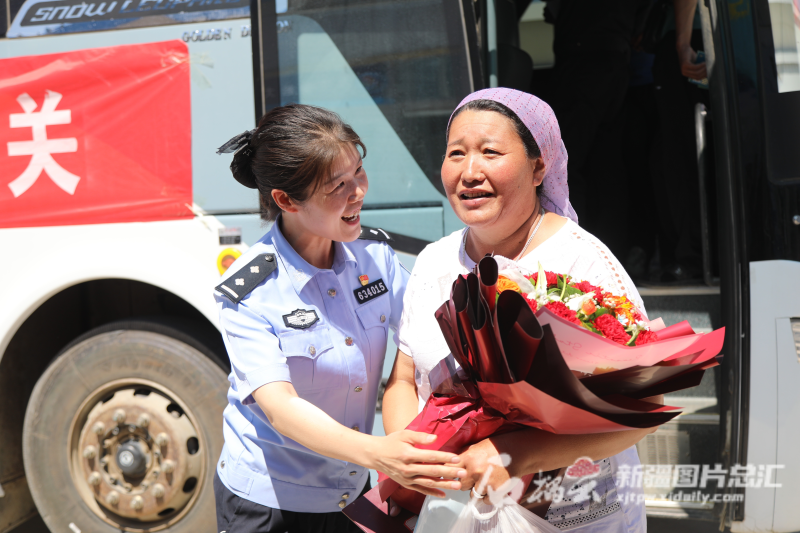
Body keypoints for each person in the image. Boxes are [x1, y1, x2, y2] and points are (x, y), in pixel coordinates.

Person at [382, 88, 662, 532]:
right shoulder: (434, 261)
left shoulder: (583, 263)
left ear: (538, 167)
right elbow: (402, 379)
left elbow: (645, 408)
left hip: (574, 517)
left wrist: (517, 454)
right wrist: (410, 455)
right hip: (451, 512)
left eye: (490, 152)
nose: (469, 172)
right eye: (456, 153)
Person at [212, 104, 465, 533]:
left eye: (358, 172)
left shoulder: (375, 257)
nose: (358, 192)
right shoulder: (251, 290)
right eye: (337, 186)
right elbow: (281, 408)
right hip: (271, 504)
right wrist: (380, 453)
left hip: (351, 489)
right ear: (285, 200)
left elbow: (430, 334)